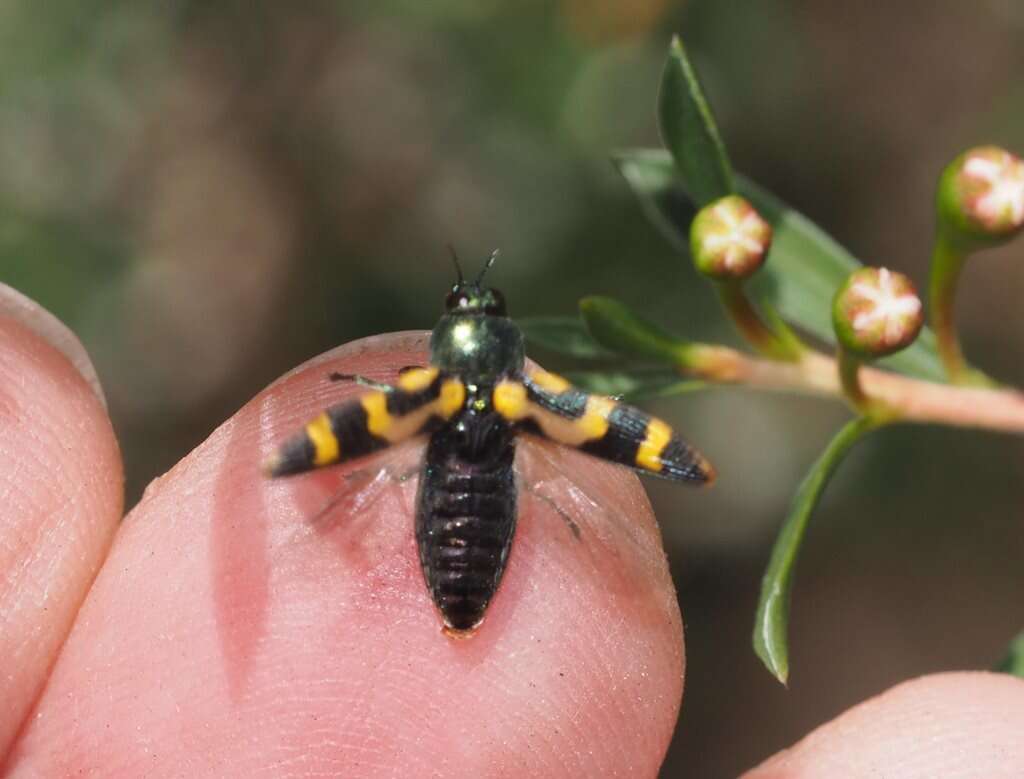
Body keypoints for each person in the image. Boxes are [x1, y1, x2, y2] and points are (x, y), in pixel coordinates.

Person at [1, 287, 1022, 777]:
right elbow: (639, 443)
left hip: (456, 512)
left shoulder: (416, 394)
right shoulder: (534, 400)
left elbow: (334, 432)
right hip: (487, 513)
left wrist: (304, 457)